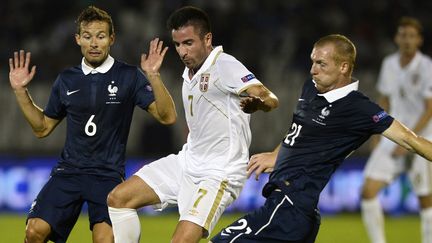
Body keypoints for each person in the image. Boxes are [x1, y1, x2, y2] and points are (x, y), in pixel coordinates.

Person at [210, 34, 432, 243]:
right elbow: (299, 128)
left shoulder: (360, 109)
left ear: (343, 67)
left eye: (321, 64)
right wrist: (277, 154)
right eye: (312, 62)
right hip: (296, 211)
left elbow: (411, 140)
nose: (313, 70)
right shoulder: (311, 88)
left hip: (289, 207)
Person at [107, 6, 279, 243]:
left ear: (207, 38)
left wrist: (257, 103)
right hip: (187, 162)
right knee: (118, 199)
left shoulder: (224, 65)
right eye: (177, 44)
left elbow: (270, 98)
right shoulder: (190, 72)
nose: (182, 51)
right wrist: (153, 75)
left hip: (219, 172)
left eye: (188, 43)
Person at [8, 6, 176, 243]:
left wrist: (154, 76)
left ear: (111, 39)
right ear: (78, 39)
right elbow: (42, 128)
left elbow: (167, 116)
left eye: (100, 36)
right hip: (69, 172)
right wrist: (20, 91)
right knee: (34, 232)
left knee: (105, 240)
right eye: (87, 36)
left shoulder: (129, 76)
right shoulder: (67, 79)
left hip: (107, 176)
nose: (94, 43)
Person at [361, 17, 432, 243]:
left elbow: (430, 109)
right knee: (368, 192)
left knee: (425, 199)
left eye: (412, 36)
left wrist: (410, 141)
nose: (407, 40)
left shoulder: (427, 67)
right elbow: (384, 100)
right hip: (391, 135)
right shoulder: (389, 63)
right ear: (396, 38)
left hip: (421, 139)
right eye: (403, 35)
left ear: (419, 40)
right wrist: (375, 131)